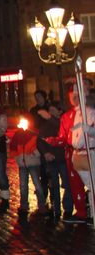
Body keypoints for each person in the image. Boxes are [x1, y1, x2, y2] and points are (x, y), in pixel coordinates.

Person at [58, 84, 91, 224]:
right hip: (74, 154)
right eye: (73, 97)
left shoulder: (90, 112)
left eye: (77, 96)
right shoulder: (67, 116)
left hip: (90, 153)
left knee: (92, 184)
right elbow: (63, 136)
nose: (75, 99)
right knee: (75, 184)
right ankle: (81, 213)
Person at [37, 103, 68, 220]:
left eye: (53, 110)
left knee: (67, 184)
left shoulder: (63, 122)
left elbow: (62, 129)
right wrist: (45, 153)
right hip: (51, 160)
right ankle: (56, 208)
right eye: (49, 111)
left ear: (60, 111)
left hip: (63, 158)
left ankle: (68, 208)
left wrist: (50, 118)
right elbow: (40, 141)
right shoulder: (45, 126)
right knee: (53, 185)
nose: (51, 113)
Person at [9, 115, 45, 214]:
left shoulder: (34, 134)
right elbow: (13, 148)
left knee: (37, 184)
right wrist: (18, 158)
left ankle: (41, 204)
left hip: (33, 163)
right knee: (23, 185)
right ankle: (24, 205)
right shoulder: (17, 135)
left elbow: (39, 146)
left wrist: (34, 153)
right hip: (22, 164)